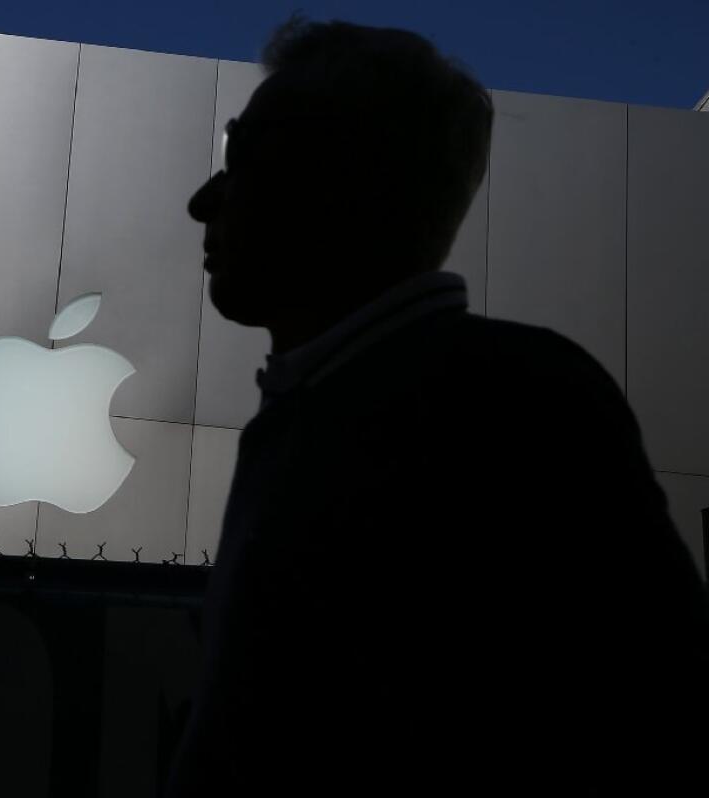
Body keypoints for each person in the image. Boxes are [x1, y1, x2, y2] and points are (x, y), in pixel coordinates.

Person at [165, 15, 709, 796]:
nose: (203, 200)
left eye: (239, 156)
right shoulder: (336, 412)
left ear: (336, 183)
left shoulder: (514, 409)